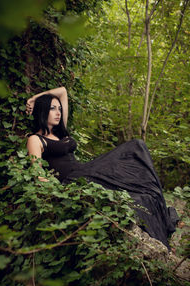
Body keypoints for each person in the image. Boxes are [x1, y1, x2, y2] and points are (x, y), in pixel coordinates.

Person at [26, 87, 179, 250]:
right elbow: (38, 176)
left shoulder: (60, 132)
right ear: (42, 111)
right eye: (52, 108)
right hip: (73, 181)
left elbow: (63, 91)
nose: (58, 112)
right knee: (135, 146)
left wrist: (35, 97)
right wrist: (58, 193)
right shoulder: (35, 139)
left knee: (138, 159)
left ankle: (164, 218)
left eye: (59, 108)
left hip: (85, 172)